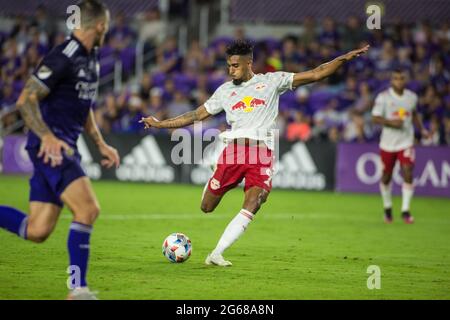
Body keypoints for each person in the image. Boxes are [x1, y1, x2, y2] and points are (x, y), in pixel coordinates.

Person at [140, 40, 369, 266]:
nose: (231, 70)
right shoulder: (225, 91)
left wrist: (343, 58)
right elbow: (194, 115)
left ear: (249, 63)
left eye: (235, 66)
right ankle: (214, 175)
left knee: (254, 202)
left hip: (262, 154)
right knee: (206, 207)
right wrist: (160, 124)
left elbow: (316, 74)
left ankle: (217, 253)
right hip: (233, 152)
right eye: (229, 65)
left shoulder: (272, 82)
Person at [0, 0, 120, 299]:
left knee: (37, 230)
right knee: (88, 209)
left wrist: (100, 143)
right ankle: (77, 289)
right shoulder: (63, 56)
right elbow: (26, 100)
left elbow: (84, 105)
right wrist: (48, 137)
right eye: (107, 25)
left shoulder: (91, 57)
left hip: (63, 145)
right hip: (51, 149)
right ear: (101, 25)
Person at [372, 69, 429, 224]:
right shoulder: (383, 97)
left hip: (406, 141)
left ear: (405, 80)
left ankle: (405, 210)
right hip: (388, 144)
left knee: (408, 171)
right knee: (386, 176)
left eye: (401, 78)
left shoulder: (412, 97)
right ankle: (388, 208)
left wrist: (422, 129)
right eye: (396, 78)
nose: (399, 81)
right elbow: (375, 118)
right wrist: (391, 122)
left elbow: (414, 114)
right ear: (391, 80)